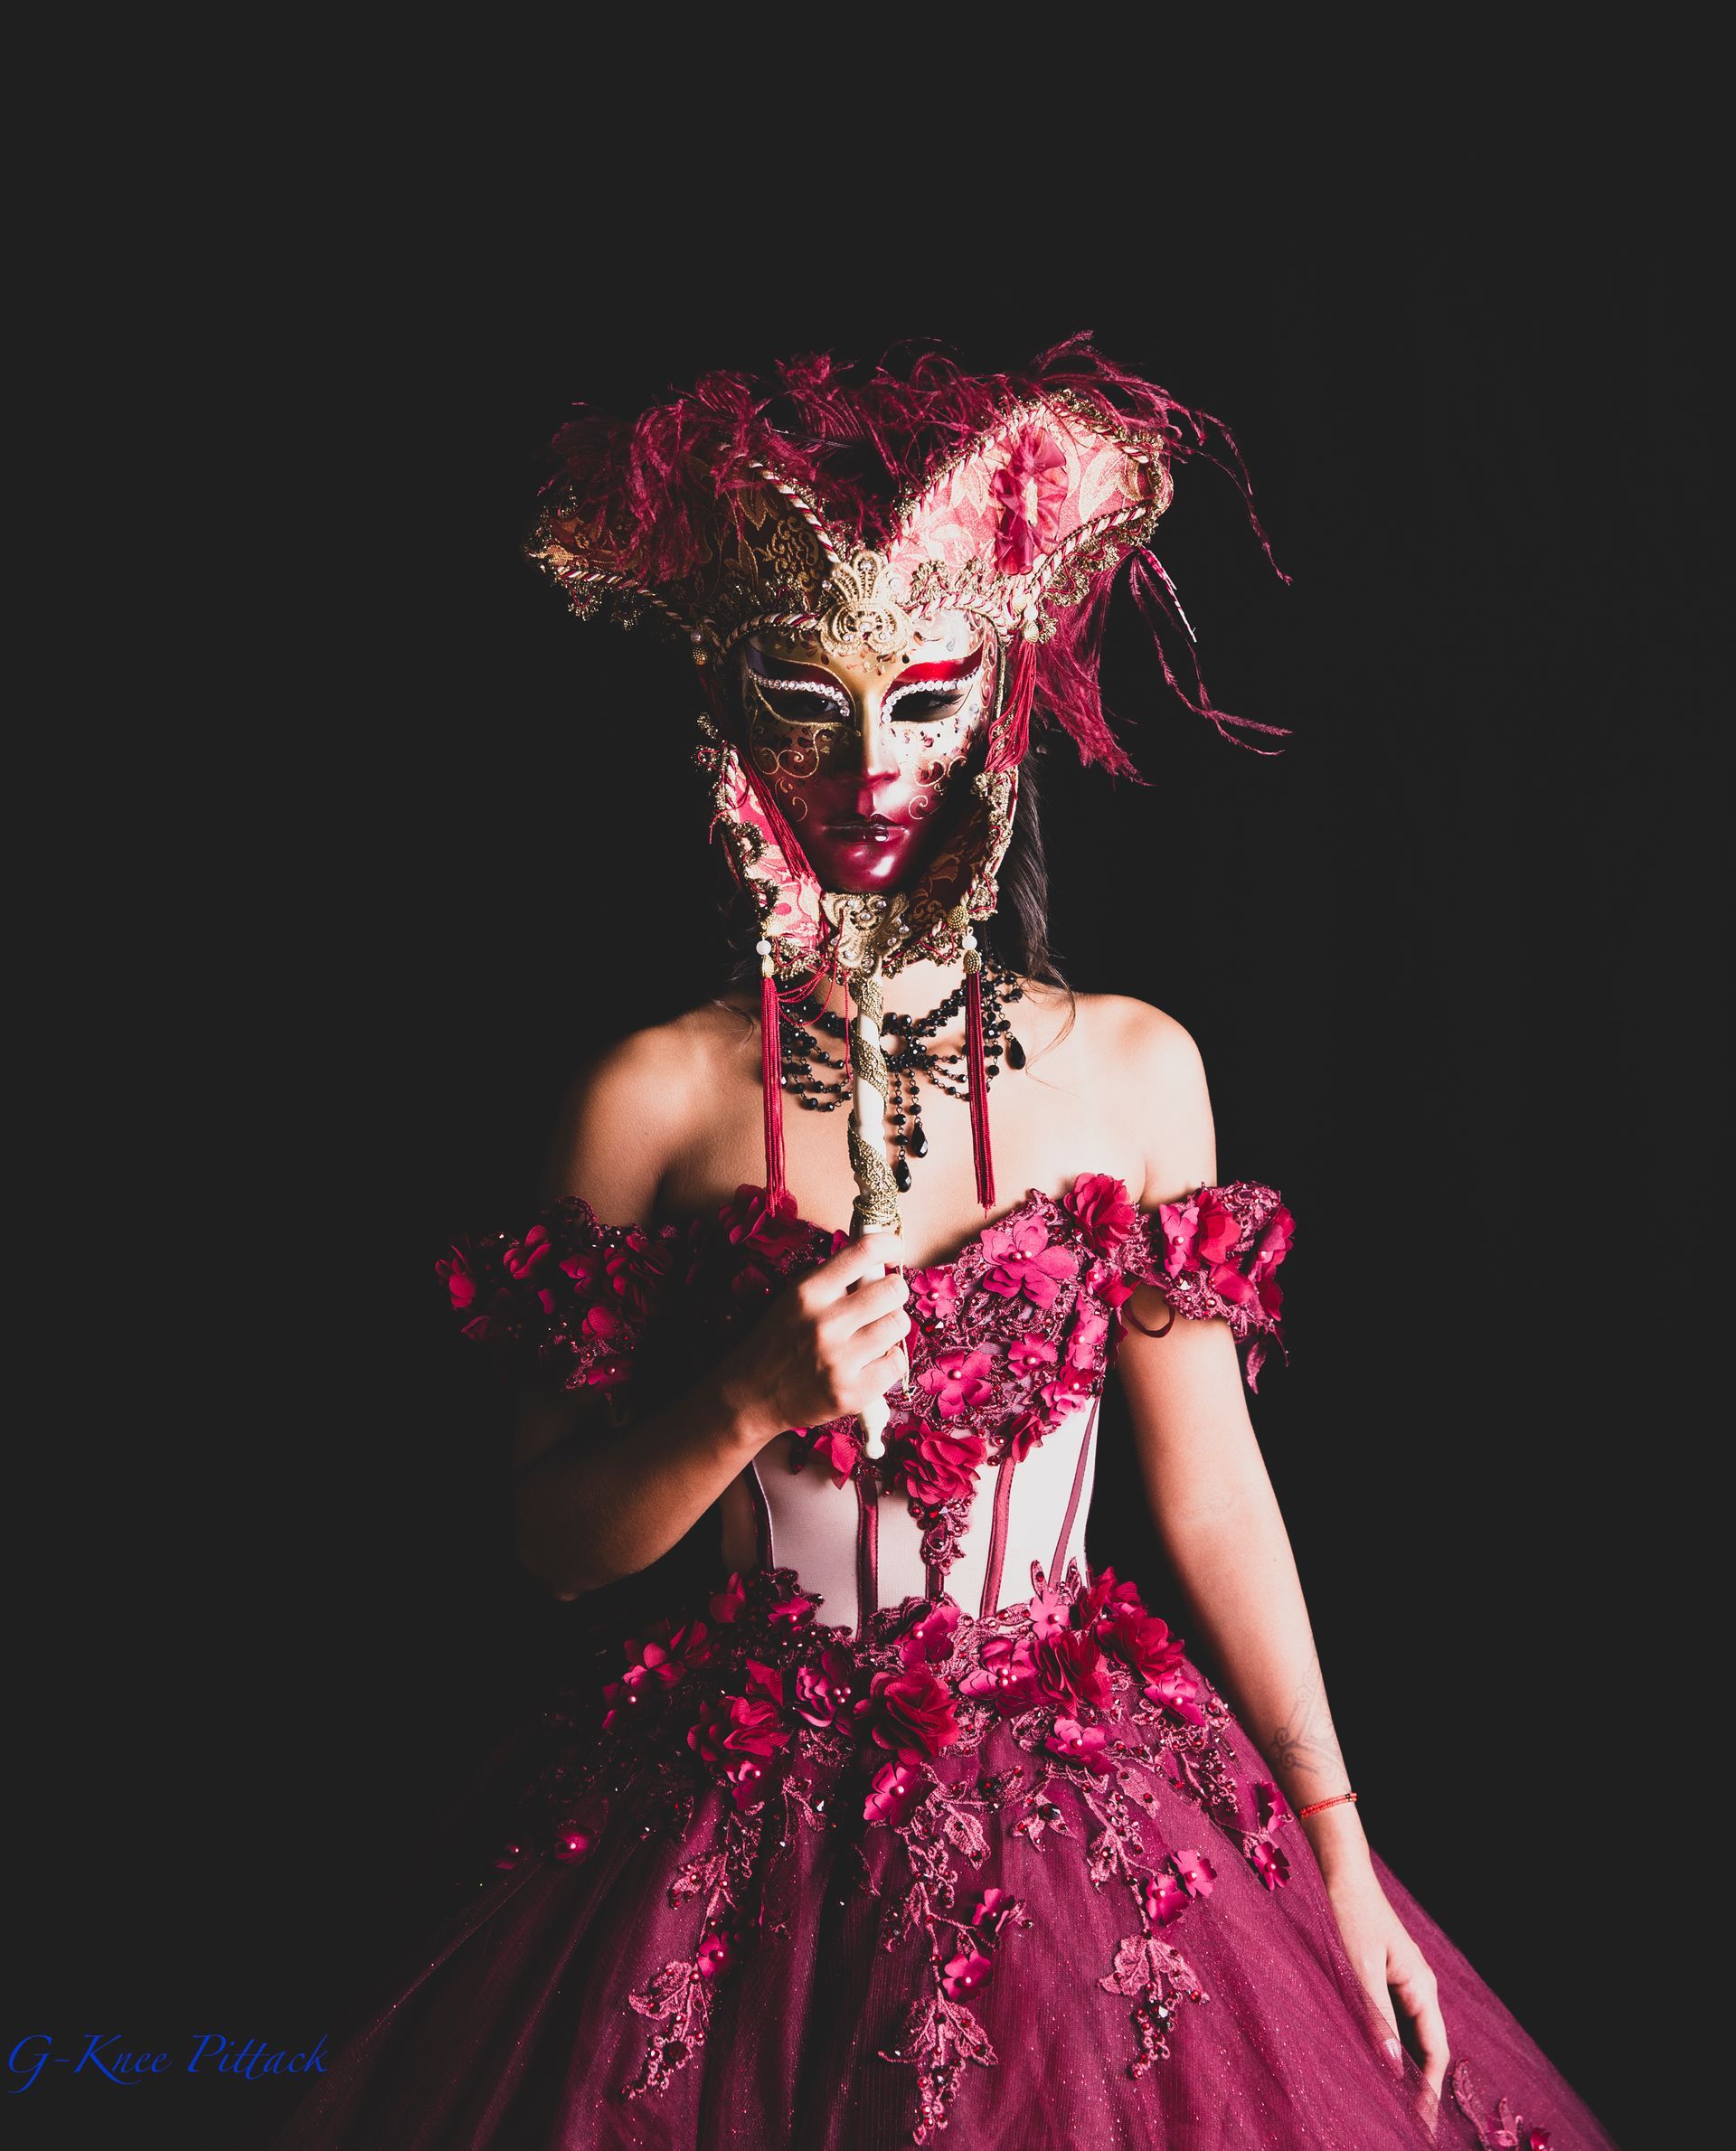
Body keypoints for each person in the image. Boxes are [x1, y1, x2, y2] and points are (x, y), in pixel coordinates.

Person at [277, 342, 1616, 2148]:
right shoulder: (652, 1096)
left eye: (923, 699)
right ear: (728, 713)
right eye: (805, 701)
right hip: (716, 1830)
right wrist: (742, 1399)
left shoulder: (1138, 1068)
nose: (871, 764)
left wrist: (1343, 1854)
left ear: (1000, 698)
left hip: (1086, 1803)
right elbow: (554, 1541)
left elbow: (1212, 1492)